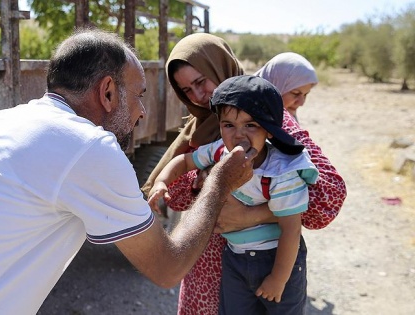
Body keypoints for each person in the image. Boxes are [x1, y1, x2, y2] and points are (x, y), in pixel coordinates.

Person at [0, 29, 257, 314]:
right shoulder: (87, 146)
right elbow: (168, 267)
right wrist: (221, 180)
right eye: (138, 96)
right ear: (107, 92)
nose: (142, 113)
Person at [141, 33, 347, 315]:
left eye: (201, 81)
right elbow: (176, 196)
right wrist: (208, 179)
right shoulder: (200, 128)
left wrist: (253, 215)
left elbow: (328, 198)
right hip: (206, 267)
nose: (199, 96)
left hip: (259, 265)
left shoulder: (263, 116)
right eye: (186, 90)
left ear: (220, 66)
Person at [149, 75, 318, 314]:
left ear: (269, 130)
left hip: (276, 259)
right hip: (235, 260)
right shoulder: (220, 151)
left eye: (251, 125)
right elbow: (184, 160)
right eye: (228, 125)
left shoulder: (281, 171)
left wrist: (278, 279)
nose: (238, 135)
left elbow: (291, 229)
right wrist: (162, 181)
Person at [255, 52, 319, 121]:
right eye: (296, 93)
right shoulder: (247, 119)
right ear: (275, 85)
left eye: (305, 94)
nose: (301, 103)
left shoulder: (287, 121)